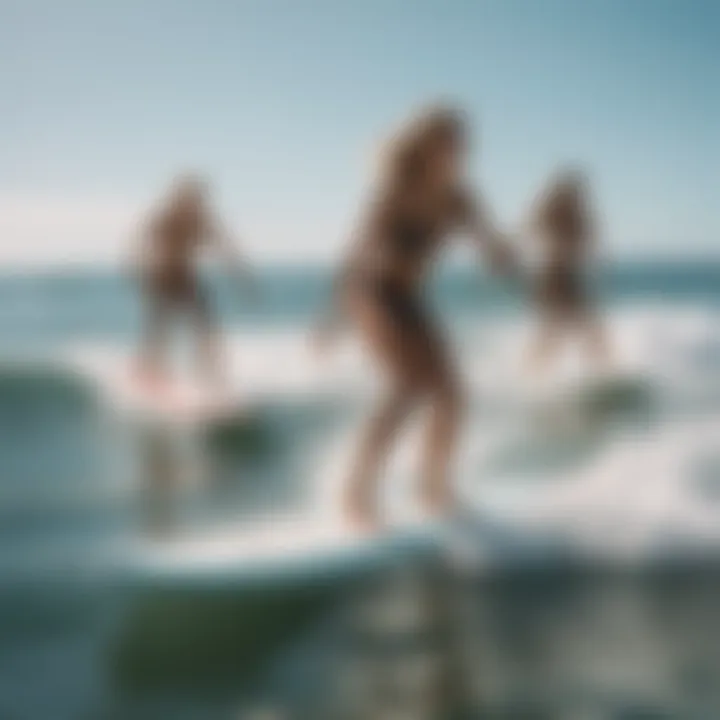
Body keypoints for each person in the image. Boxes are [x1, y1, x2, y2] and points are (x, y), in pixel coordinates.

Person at [316, 105, 515, 530]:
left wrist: (502, 256)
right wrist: (330, 321)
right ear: (424, 146)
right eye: (447, 141)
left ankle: (432, 487)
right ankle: (356, 493)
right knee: (407, 386)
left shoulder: (461, 198)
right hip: (370, 294)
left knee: (453, 396)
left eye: (461, 142)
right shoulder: (395, 191)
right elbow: (354, 254)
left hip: (409, 299)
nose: (457, 150)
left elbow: (492, 246)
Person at [129, 174, 252, 390]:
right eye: (193, 198)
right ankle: (149, 369)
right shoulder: (168, 216)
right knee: (161, 324)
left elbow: (227, 250)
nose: (197, 203)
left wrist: (243, 281)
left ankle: (208, 370)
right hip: (163, 275)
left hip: (186, 276)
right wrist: (139, 271)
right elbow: (141, 241)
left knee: (205, 322)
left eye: (199, 199)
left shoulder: (203, 220)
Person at [525, 168, 609, 373]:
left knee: (575, 328)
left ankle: (601, 370)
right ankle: (533, 371)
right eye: (576, 193)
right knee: (555, 329)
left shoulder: (576, 216)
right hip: (554, 276)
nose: (580, 197)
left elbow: (589, 243)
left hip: (567, 276)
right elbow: (532, 229)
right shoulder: (555, 212)